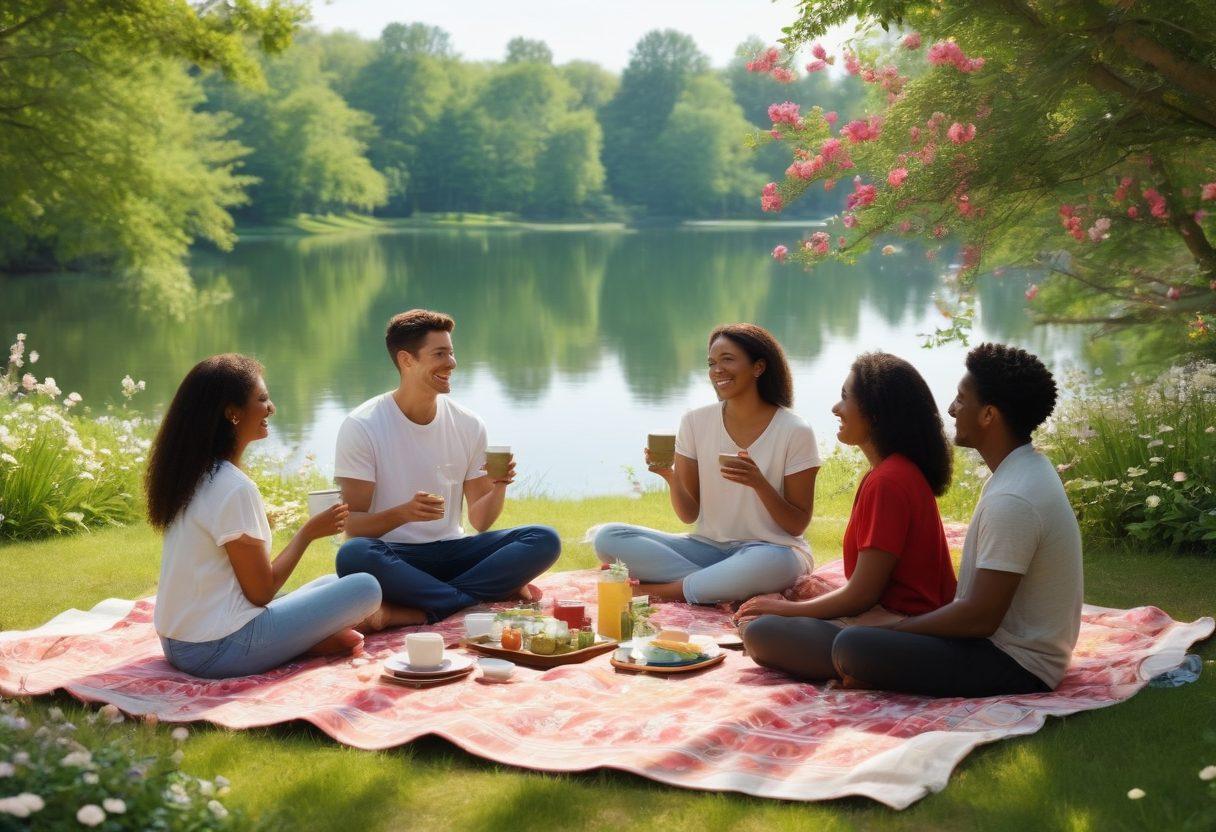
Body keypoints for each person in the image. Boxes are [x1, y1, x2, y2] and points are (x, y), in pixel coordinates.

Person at [827, 343, 1083, 697]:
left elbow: (980, 617)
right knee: (854, 642)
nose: (950, 409)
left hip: (1016, 664)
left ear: (988, 415)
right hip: (996, 647)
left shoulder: (1014, 498)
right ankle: (873, 667)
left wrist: (894, 632)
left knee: (852, 646)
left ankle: (870, 667)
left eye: (962, 400)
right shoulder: (1021, 470)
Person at [148, 354, 382, 679]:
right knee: (366, 588)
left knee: (332, 583)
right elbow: (260, 593)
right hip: (215, 649)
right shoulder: (233, 488)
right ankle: (302, 642)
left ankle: (303, 640)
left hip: (178, 640)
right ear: (232, 413)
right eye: (262, 399)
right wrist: (307, 533)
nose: (271, 407)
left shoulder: (192, 475)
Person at [334, 309, 561, 627]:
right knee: (354, 555)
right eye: (440, 354)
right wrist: (403, 513)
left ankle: (434, 605)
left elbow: (480, 521)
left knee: (543, 539)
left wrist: (499, 485)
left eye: (451, 353)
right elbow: (352, 526)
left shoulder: (468, 424)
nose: (452, 363)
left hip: (455, 553)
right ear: (406, 360)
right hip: (395, 557)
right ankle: (473, 598)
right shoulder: (363, 425)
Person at [739, 353, 958, 681]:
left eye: (845, 398)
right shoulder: (888, 473)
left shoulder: (889, 480)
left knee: (762, 632)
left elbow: (861, 595)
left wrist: (787, 610)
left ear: (874, 412)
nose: (835, 409)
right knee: (771, 623)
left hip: (903, 628)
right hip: (885, 618)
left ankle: (865, 669)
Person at [591, 323, 820, 603]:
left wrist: (759, 483)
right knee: (608, 538)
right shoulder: (695, 422)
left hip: (771, 549)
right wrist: (670, 476)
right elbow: (689, 514)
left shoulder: (795, 430)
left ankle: (659, 590)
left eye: (728, 360)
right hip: (705, 548)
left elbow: (796, 525)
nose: (716, 370)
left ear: (758, 367)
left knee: (778, 564)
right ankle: (721, 583)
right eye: (712, 363)